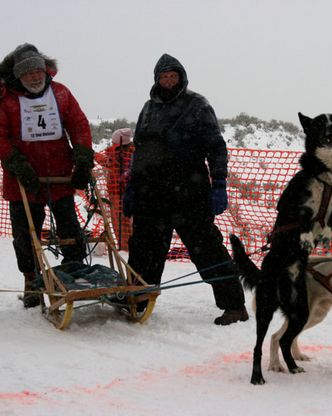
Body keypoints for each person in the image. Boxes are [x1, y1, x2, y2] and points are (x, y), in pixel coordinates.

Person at [124, 53, 248, 325]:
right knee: (144, 247)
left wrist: (219, 184)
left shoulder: (197, 105)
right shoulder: (148, 108)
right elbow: (140, 150)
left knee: (206, 248)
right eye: (163, 77)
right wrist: (132, 186)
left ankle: (234, 305)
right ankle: (137, 299)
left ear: (181, 77)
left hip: (188, 191)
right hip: (151, 192)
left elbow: (216, 148)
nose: (168, 81)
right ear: (157, 79)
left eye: (173, 76)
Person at [0, 43, 94, 308]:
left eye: (37, 71)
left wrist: (82, 159)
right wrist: (18, 164)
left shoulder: (61, 94)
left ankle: (73, 271)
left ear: (45, 71)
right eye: (28, 73)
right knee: (25, 235)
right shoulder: (6, 101)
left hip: (60, 177)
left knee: (70, 228)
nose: (34, 77)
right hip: (22, 180)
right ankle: (31, 279)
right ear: (18, 76)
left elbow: (78, 124)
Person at [95, 127, 135, 250]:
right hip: (131, 193)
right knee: (128, 223)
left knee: (120, 223)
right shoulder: (134, 153)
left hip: (117, 194)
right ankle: (129, 246)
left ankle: (124, 248)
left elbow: (106, 162)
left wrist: (92, 154)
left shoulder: (115, 155)